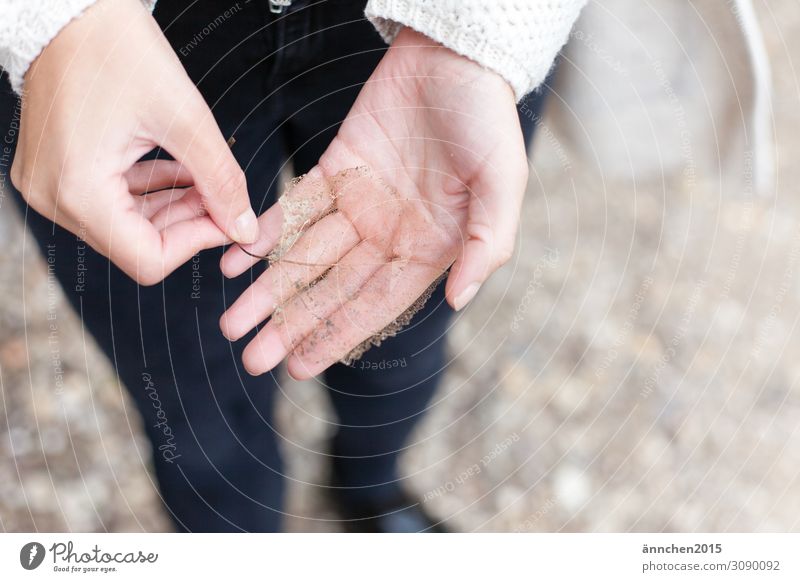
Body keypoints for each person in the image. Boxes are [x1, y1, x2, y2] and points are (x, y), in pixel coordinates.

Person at [0, 0, 585, 531]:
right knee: (190, 396)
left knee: (396, 342)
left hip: (439, 25)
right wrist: (53, 20)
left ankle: (369, 488)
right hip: (110, 40)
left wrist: (485, 30)